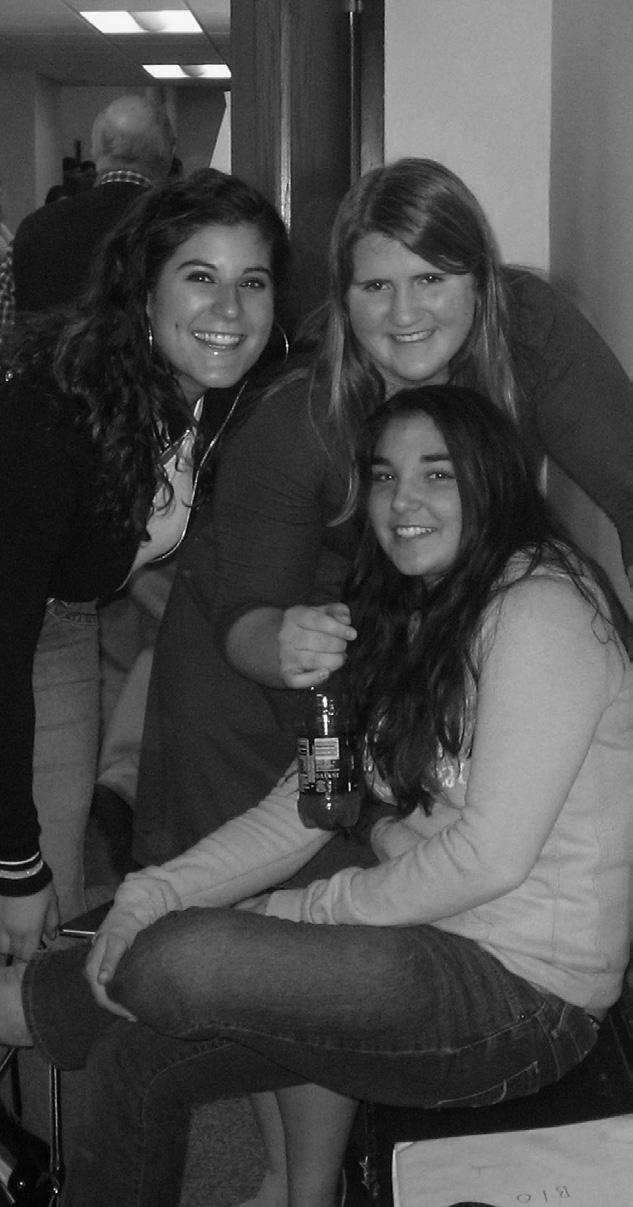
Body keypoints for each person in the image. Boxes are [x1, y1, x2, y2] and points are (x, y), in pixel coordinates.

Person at [0, 383, 631, 1207]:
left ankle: (24, 1006)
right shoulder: (411, 611)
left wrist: (294, 914)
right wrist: (152, 890)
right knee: (137, 1050)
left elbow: (489, 859)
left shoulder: (538, 608)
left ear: (494, 480)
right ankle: (37, 1007)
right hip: (432, 945)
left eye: (437, 474)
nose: (402, 500)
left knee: (178, 960)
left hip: (522, 999)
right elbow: (307, 800)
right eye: (383, 476)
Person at [133, 155, 633, 872]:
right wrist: (283, 642)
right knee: (271, 881)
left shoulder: (527, 330)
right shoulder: (298, 422)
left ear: (481, 279)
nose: (404, 315)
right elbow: (248, 613)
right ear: (343, 298)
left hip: (398, 651)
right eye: (375, 286)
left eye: (431, 278)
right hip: (265, 655)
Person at [0, 166, 290, 961]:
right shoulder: (55, 407)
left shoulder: (236, 390)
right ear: (143, 289)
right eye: (200, 276)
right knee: (20, 889)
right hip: (14, 628)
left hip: (63, 619)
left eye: (252, 281)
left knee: (45, 908)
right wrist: (13, 862)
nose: (229, 309)